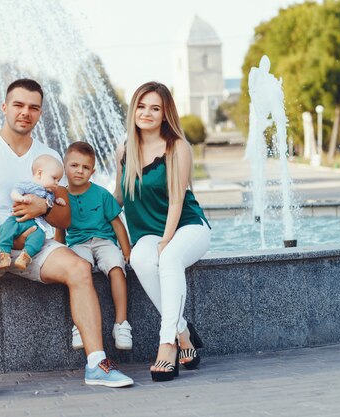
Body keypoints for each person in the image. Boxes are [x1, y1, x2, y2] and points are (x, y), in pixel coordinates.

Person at [0, 79, 133, 402]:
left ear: (40, 112)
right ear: (5, 107)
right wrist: (9, 242)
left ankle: (97, 363)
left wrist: (45, 207)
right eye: (19, 105)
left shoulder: (48, 155)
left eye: (33, 107)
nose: (26, 112)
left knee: (79, 268)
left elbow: (64, 219)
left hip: (35, 240)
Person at [114, 81, 211, 382]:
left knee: (167, 259)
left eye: (155, 108)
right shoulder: (124, 150)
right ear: (133, 110)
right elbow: (117, 196)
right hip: (149, 234)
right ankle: (184, 332)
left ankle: (167, 345)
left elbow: (177, 199)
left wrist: (167, 240)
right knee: (140, 259)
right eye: (142, 106)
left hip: (187, 226)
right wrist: (76, 198)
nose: (147, 113)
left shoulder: (177, 147)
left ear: (165, 113)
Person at [55, 141, 133, 351]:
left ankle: (121, 324)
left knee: (116, 267)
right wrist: (57, 250)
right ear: (64, 166)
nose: (79, 171)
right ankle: (80, 326)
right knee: (78, 271)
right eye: (74, 165)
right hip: (78, 243)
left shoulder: (101, 194)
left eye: (85, 167)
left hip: (104, 241)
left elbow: (117, 223)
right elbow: (60, 227)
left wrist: (126, 250)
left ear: (92, 171)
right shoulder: (60, 197)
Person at [0, 154, 66, 270]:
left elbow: (52, 204)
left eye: (58, 180)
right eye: (54, 178)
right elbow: (14, 192)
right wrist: (19, 198)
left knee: (39, 237)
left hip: (36, 224)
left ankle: (25, 256)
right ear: (39, 173)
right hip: (18, 219)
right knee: (6, 228)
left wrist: (58, 200)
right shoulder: (27, 185)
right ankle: (4, 253)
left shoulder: (50, 194)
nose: (57, 183)